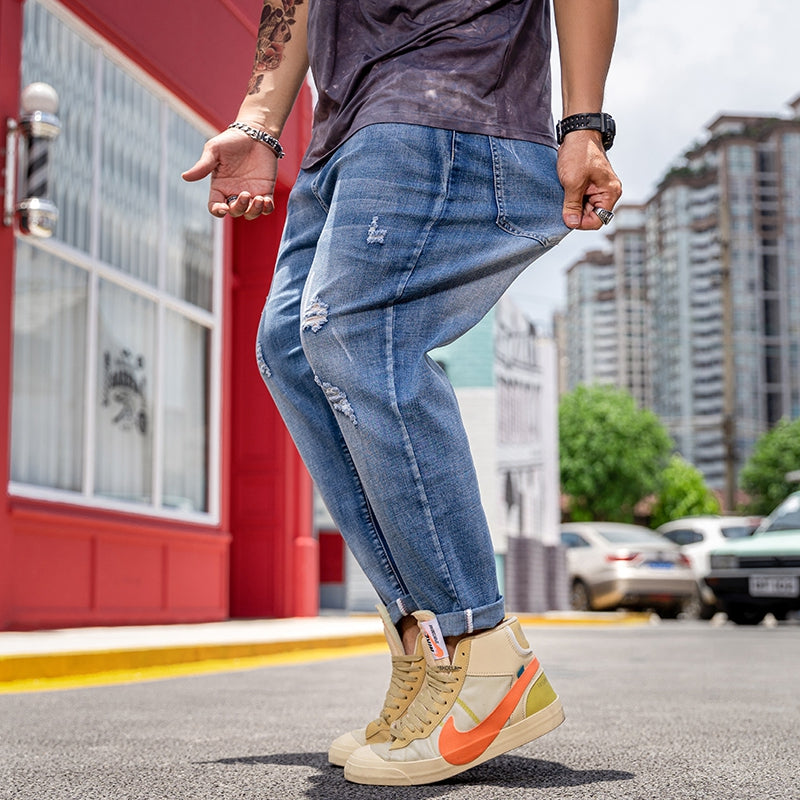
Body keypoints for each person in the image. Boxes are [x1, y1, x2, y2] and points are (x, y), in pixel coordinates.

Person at [183, 0, 621, 786]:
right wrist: (258, 121)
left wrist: (583, 122)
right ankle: (427, 648)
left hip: (447, 90)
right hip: (342, 121)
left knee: (361, 335)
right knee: (292, 349)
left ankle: (484, 656)